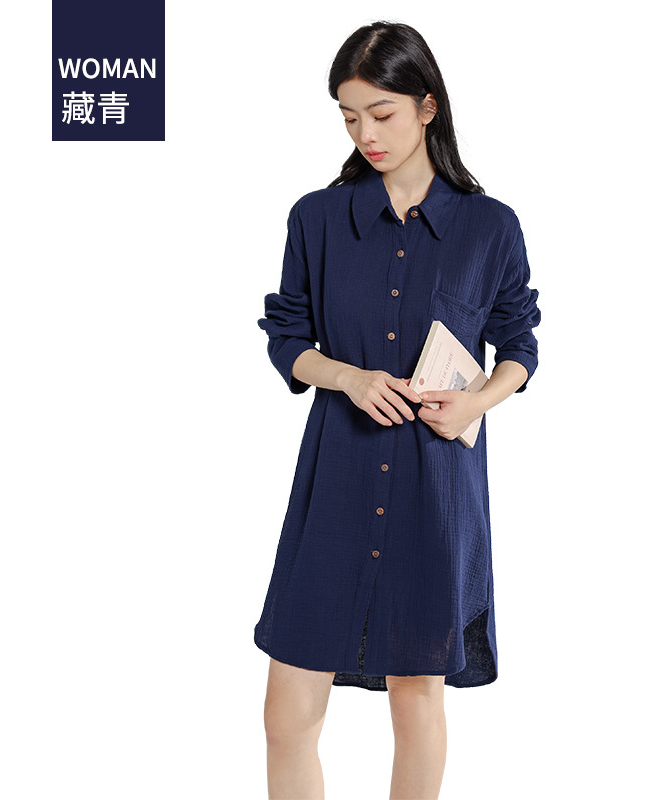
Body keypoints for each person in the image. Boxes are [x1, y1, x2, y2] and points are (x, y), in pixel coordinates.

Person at [254, 20, 541, 800]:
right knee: (287, 714)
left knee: (416, 699)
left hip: (433, 488)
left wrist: (477, 399)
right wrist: (347, 377)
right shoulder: (317, 218)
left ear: (427, 106)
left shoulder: (490, 227)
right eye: (349, 117)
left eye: (380, 114)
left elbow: (520, 340)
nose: (365, 134)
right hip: (336, 482)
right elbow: (286, 335)